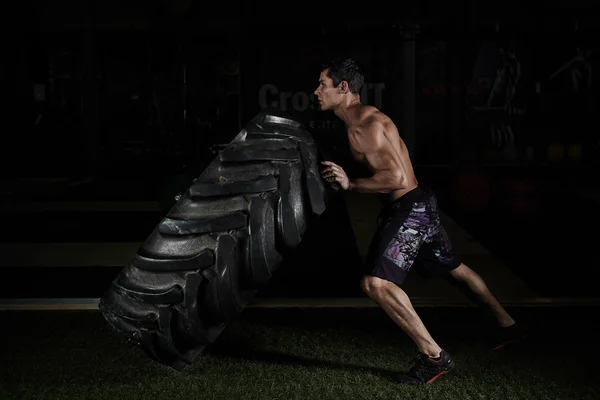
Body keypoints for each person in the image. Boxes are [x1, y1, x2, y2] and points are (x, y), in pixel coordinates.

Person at [314, 57, 527, 386]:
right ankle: (508, 325)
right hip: (421, 202)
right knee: (455, 270)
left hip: (408, 210)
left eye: (322, 85)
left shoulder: (360, 127)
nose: (316, 92)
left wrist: (350, 184)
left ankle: (434, 357)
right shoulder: (368, 118)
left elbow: (395, 176)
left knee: (375, 284)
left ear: (343, 88)